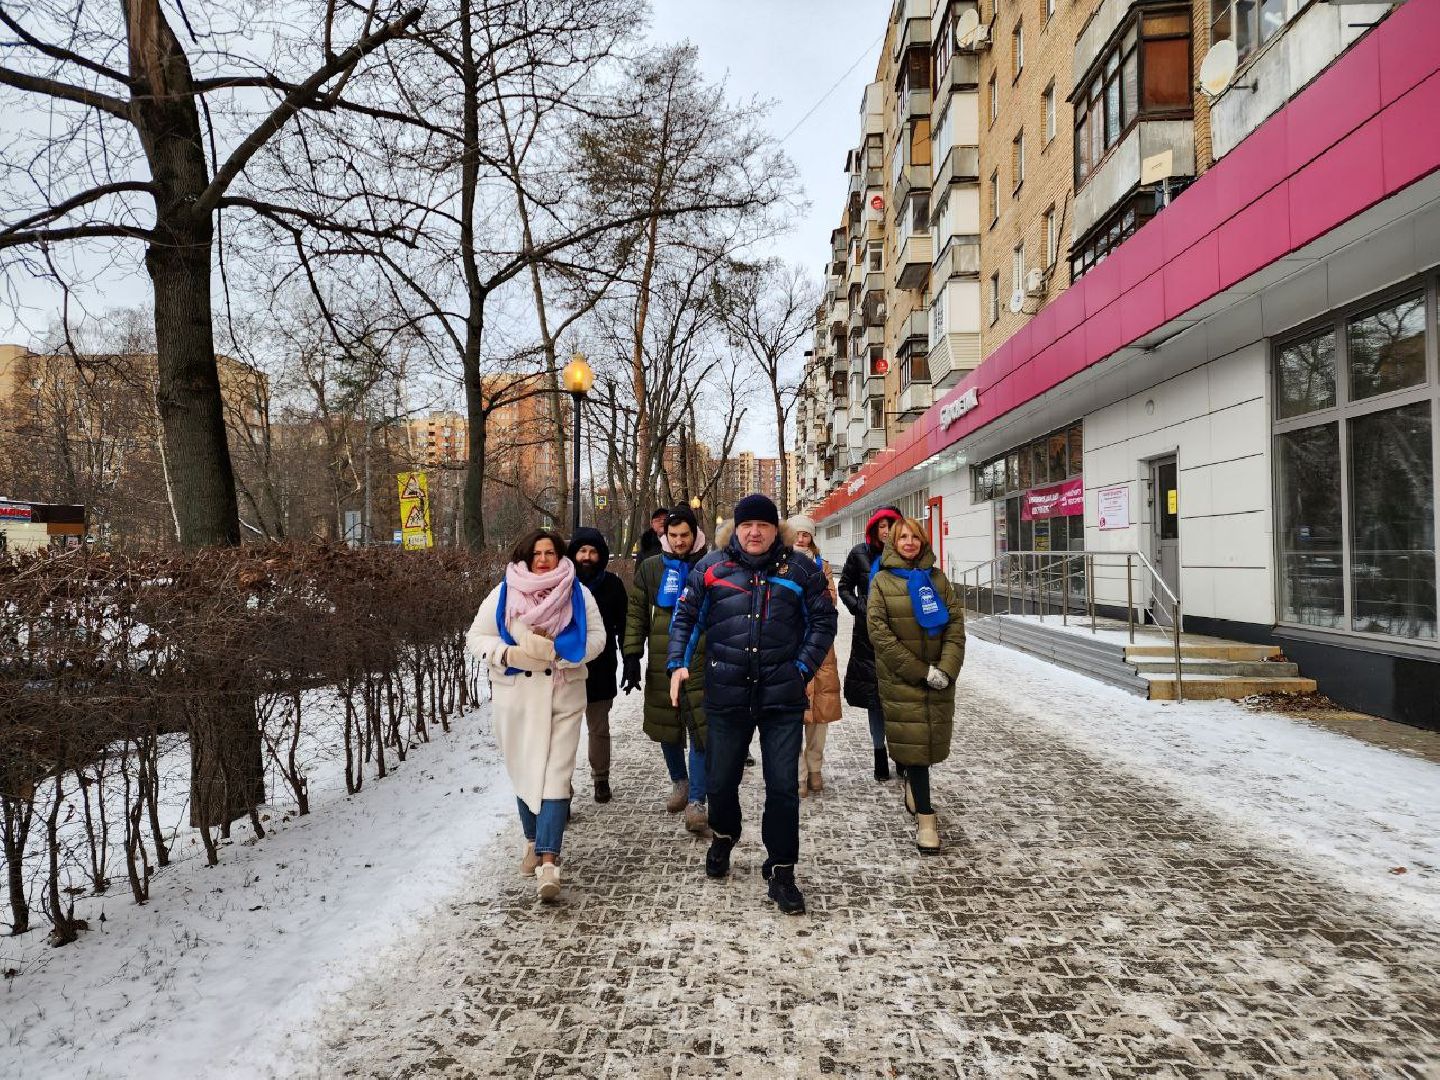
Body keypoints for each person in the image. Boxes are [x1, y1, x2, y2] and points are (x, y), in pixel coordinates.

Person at [667, 493, 838, 915]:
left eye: (763, 524)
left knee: (783, 787)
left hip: (781, 698)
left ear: (774, 529)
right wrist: (676, 662)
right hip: (726, 694)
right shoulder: (712, 568)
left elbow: (824, 620)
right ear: (736, 529)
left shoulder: (799, 568)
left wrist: (801, 668)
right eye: (748, 525)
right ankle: (725, 836)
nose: (755, 532)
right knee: (722, 780)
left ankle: (781, 870)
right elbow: (685, 616)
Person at [466, 528, 606, 901]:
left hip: (564, 692)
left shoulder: (578, 593)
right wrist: (508, 654)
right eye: (537, 553)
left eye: (550, 552)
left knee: (556, 778)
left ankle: (549, 862)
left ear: (561, 556)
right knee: (526, 772)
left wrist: (562, 651)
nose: (543, 559)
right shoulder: (505, 593)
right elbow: (476, 637)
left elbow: (597, 638)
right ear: (525, 557)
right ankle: (532, 841)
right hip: (517, 698)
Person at [866, 516, 966, 855]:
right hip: (902, 678)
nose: (909, 542)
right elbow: (879, 633)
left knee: (927, 745)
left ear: (923, 541)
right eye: (902, 536)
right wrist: (920, 671)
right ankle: (926, 818)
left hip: (939, 678)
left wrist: (947, 669)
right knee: (917, 749)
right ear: (893, 542)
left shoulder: (937, 579)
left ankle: (912, 783)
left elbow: (955, 626)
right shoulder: (881, 580)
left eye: (915, 536)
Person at [622, 506, 711, 834]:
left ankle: (697, 801)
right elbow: (636, 613)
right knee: (665, 726)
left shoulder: (710, 565)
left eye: (684, 535)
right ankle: (680, 782)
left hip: (701, 658)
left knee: (701, 728)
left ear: (694, 534)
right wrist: (632, 654)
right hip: (663, 658)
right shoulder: (651, 568)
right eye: (673, 536)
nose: (679, 541)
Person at [838, 505, 903, 781]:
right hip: (868, 636)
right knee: (875, 698)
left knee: (899, 699)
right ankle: (879, 754)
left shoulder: (907, 554)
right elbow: (844, 586)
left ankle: (901, 755)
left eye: (892, 525)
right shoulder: (860, 553)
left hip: (902, 633)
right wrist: (859, 608)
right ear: (874, 528)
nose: (886, 531)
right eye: (882, 526)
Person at [782, 515, 841, 797]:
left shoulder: (823, 566)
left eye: (805, 534)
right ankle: (799, 774)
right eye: (797, 534)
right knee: (793, 712)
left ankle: (815, 768)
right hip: (791, 644)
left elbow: (830, 600)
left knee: (819, 715)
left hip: (820, 646)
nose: (801, 539)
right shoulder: (780, 565)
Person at [568, 527, 628, 804]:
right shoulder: (562, 584)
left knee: (598, 727)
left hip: (601, 666)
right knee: (563, 731)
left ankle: (600, 777)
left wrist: (631, 661)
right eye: (582, 551)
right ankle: (561, 789)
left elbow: (625, 626)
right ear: (574, 554)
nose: (587, 557)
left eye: (592, 551)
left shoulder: (612, 585)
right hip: (565, 668)